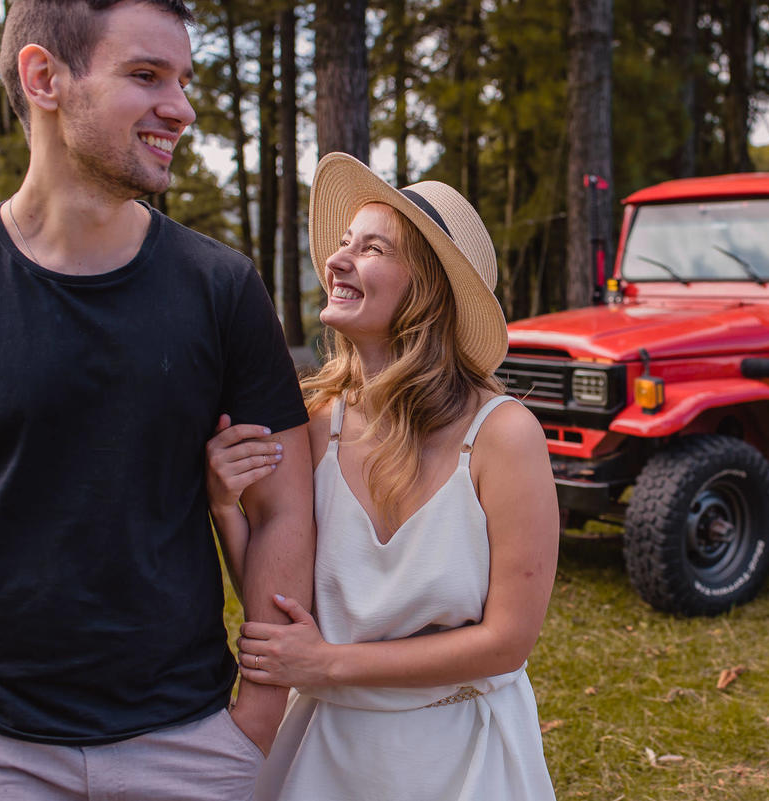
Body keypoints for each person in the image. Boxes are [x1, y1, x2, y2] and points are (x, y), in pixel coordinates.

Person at [0, 1, 314, 798]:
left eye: (184, 80)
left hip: (188, 742)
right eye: (146, 75)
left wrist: (258, 714)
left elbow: (284, 505)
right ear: (44, 78)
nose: (182, 108)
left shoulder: (223, 288)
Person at [205, 151, 560, 800]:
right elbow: (284, 596)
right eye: (343, 243)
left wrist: (328, 663)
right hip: (324, 751)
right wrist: (227, 506)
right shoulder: (316, 424)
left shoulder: (504, 436)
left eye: (371, 248)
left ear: (428, 290)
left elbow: (507, 642)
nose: (337, 261)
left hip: (462, 755)